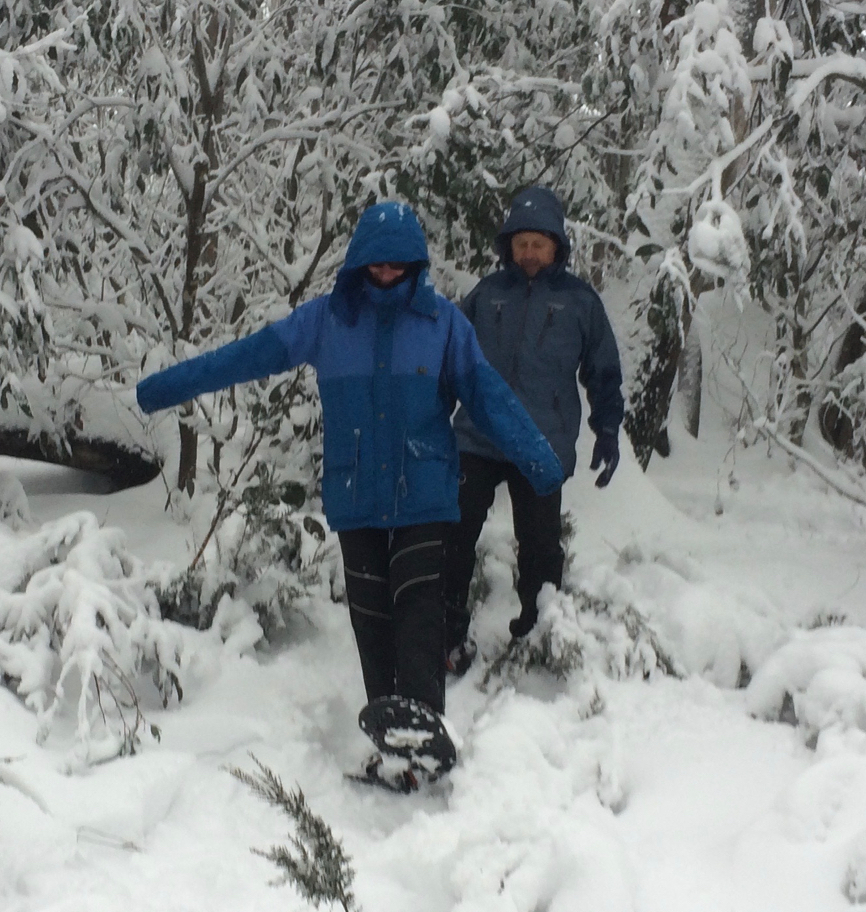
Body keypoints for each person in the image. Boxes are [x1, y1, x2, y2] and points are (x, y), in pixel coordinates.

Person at [136, 200, 564, 783]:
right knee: (370, 615)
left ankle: (424, 730)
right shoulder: (326, 320)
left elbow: (487, 394)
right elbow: (247, 356)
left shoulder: (441, 324)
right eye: (376, 265)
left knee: (417, 609)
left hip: (423, 490)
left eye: (398, 265)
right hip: (356, 491)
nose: (386, 275)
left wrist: (538, 458)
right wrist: (166, 387)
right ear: (358, 262)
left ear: (415, 264)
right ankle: (389, 737)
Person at [445, 185, 624, 670]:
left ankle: (536, 635)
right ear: (509, 246)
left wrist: (607, 428)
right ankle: (447, 639)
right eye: (521, 244)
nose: (529, 254)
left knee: (541, 546)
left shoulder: (579, 301)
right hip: (478, 436)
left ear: (556, 247)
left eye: (538, 245)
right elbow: (451, 359)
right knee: (453, 532)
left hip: (541, 441)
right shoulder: (487, 294)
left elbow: (603, 368)